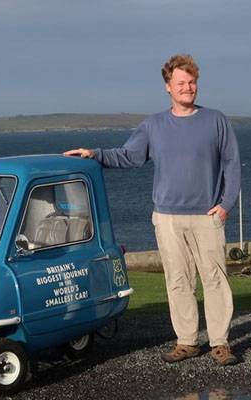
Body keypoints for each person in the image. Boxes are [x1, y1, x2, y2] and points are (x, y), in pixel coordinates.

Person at [63, 54, 241, 366]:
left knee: (215, 280)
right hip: (167, 217)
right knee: (177, 280)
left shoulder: (215, 120)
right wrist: (94, 154)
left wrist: (226, 205)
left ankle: (220, 343)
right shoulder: (154, 125)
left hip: (206, 216)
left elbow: (232, 163)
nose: (188, 88)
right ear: (168, 88)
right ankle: (187, 341)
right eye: (181, 83)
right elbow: (129, 156)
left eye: (192, 82)